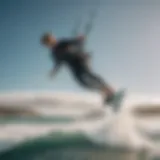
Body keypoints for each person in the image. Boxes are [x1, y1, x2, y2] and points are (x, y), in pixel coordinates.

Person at [40, 33, 118, 105]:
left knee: (86, 74)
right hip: (73, 66)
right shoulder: (54, 54)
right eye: (47, 43)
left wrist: (80, 39)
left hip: (81, 58)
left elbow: (78, 42)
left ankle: (110, 91)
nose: (49, 43)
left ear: (53, 38)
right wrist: (53, 72)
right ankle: (105, 94)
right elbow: (57, 64)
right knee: (83, 83)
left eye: (49, 40)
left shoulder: (63, 42)